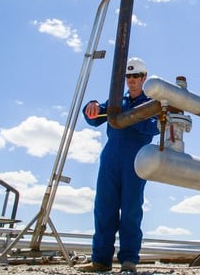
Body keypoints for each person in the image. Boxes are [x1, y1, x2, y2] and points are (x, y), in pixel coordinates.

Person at [77, 57, 159, 273]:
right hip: (110, 158)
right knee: (104, 208)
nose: (131, 80)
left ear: (144, 78)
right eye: (128, 76)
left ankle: (128, 260)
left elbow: (154, 128)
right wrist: (91, 106)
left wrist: (133, 117)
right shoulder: (116, 101)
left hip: (136, 159)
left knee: (131, 209)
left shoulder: (151, 103)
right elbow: (94, 118)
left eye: (136, 76)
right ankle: (100, 260)